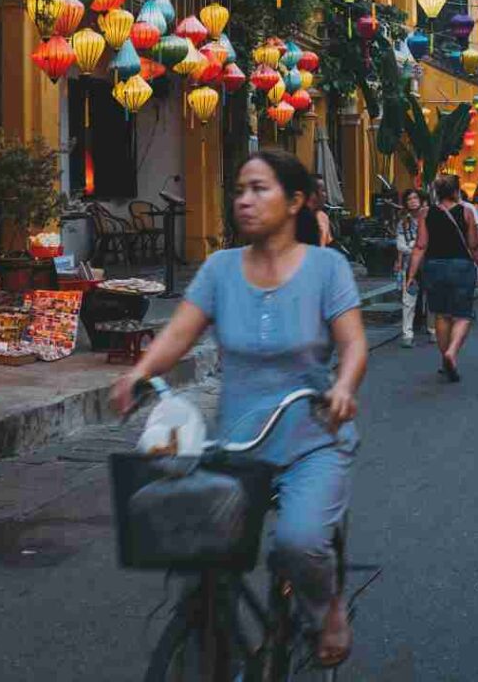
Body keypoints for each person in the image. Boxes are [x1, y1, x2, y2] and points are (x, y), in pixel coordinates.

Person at [111, 149, 368, 667]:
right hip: (236, 445)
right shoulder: (220, 269)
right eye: (240, 190)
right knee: (197, 546)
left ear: (296, 201)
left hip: (311, 438)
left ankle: (328, 608)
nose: (244, 201)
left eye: (260, 189)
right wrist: (141, 372)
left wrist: (343, 387)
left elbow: (354, 345)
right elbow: (180, 332)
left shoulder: (326, 267)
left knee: (298, 543)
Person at [406, 175, 478, 382]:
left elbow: (420, 246)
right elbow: (474, 245)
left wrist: (411, 275)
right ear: (456, 191)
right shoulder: (466, 212)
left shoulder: (425, 213)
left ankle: (444, 358)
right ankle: (452, 352)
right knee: (463, 315)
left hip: (434, 267)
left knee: (441, 315)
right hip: (461, 267)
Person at [393, 188, 423, 348]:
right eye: (409, 199)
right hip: (409, 265)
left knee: (431, 298)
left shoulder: (428, 219)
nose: (412, 201)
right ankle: (407, 333)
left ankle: (432, 330)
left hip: (428, 264)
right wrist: (416, 248)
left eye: (415, 198)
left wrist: (415, 247)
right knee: (408, 300)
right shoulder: (403, 222)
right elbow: (400, 245)